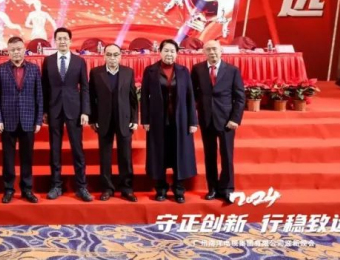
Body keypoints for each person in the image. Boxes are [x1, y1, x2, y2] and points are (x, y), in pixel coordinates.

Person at [141, 38, 198, 203]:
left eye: (172, 51)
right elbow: (144, 97)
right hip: (157, 120)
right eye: (166, 50)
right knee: (159, 154)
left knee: (179, 153)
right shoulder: (150, 71)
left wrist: (192, 121)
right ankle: (161, 188)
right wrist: (145, 119)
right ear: (160, 52)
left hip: (180, 120)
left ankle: (179, 189)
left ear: (177, 53)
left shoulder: (183, 71)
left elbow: (190, 97)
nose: (169, 54)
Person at [41, 27, 93, 202]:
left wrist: (85, 111)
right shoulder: (48, 61)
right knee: (55, 150)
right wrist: (44, 111)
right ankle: (56, 186)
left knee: (77, 149)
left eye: (65, 38)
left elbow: (85, 87)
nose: (62, 41)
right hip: (54, 109)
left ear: (70, 41)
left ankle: (82, 187)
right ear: (55, 41)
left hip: (74, 110)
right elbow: (44, 87)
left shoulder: (79, 61)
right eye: (59, 38)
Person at [192, 39, 245, 204]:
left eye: (215, 49)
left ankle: (227, 189)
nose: (212, 52)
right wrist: (193, 117)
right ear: (203, 53)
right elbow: (193, 94)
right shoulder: (197, 69)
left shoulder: (232, 70)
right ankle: (213, 188)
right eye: (208, 50)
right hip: (206, 118)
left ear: (221, 51)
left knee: (227, 155)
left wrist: (235, 119)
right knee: (210, 155)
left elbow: (239, 97)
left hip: (226, 120)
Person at [0, 36, 43, 204]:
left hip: (28, 119)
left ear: (24, 50)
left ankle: (27, 189)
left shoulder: (34, 69)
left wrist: (38, 120)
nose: (16, 52)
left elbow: (39, 96)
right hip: (7, 121)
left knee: (27, 157)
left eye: (19, 49)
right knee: (8, 158)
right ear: (8, 51)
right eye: (12, 50)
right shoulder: (1, 69)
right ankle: (8, 189)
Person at [89, 43, 138, 202]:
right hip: (103, 120)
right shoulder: (96, 73)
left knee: (125, 156)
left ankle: (127, 188)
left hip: (124, 119)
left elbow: (133, 98)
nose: (112, 58)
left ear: (120, 56)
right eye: (109, 54)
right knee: (105, 156)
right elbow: (92, 98)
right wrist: (93, 119)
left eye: (115, 54)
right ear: (104, 56)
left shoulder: (128, 72)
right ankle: (107, 188)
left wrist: (134, 119)